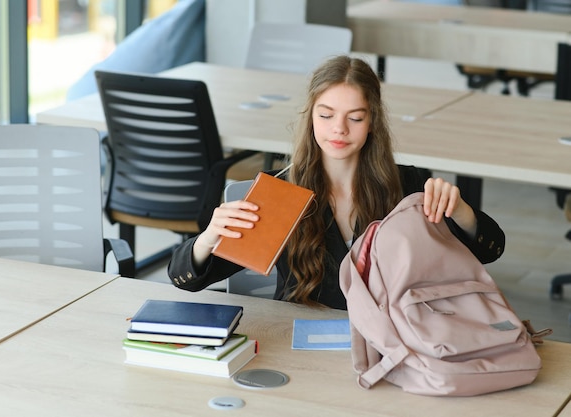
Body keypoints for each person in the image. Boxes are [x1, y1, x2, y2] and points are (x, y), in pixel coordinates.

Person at [167, 55, 505, 310]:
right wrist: (209, 238)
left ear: (372, 121)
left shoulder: (409, 184)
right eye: (326, 115)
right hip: (299, 342)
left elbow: (492, 249)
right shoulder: (279, 193)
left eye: (355, 118)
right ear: (311, 117)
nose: (339, 129)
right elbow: (186, 279)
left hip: (390, 341)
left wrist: (460, 210)